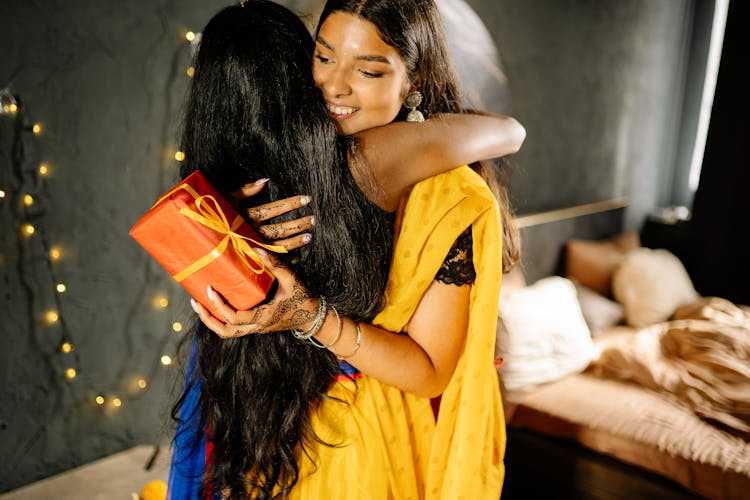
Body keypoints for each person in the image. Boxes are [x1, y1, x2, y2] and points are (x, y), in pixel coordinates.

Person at [172, 0, 524, 498]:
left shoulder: (226, 183)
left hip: (268, 425)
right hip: (311, 434)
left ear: (414, 80)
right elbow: (510, 130)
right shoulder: (370, 159)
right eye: (323, 58)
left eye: (368, 69)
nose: (334, 86)